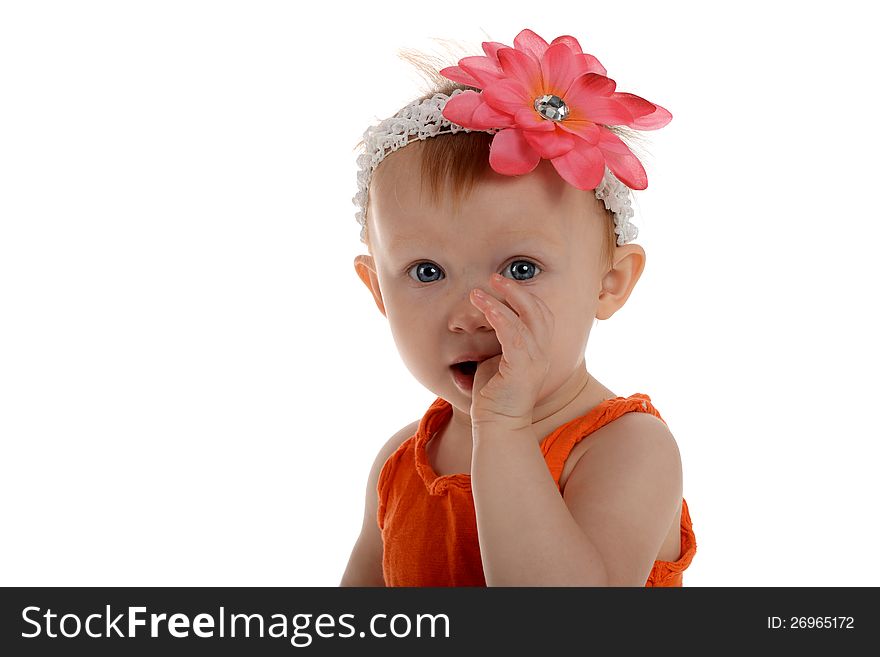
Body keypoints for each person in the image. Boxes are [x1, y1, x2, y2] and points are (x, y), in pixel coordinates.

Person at [340, 27, 696, 587]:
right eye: (426, 272)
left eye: (521, 269)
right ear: (379, 293)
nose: (473, 312)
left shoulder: (628, 450)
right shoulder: (401, 461)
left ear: (610, 283)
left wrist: (503, 431)